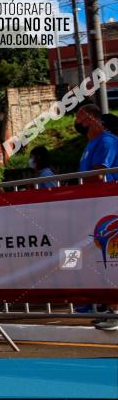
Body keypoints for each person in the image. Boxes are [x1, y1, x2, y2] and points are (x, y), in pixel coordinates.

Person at [74, 104, 118, 331]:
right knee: (100, 260)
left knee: (111, 259)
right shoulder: (90, 144)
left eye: (79, 117)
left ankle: (115, 310)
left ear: (91, 117)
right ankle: (107, 306)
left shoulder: (107, 141)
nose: (76, 123)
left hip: (109, 209)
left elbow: (99, 176)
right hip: (94, 208)